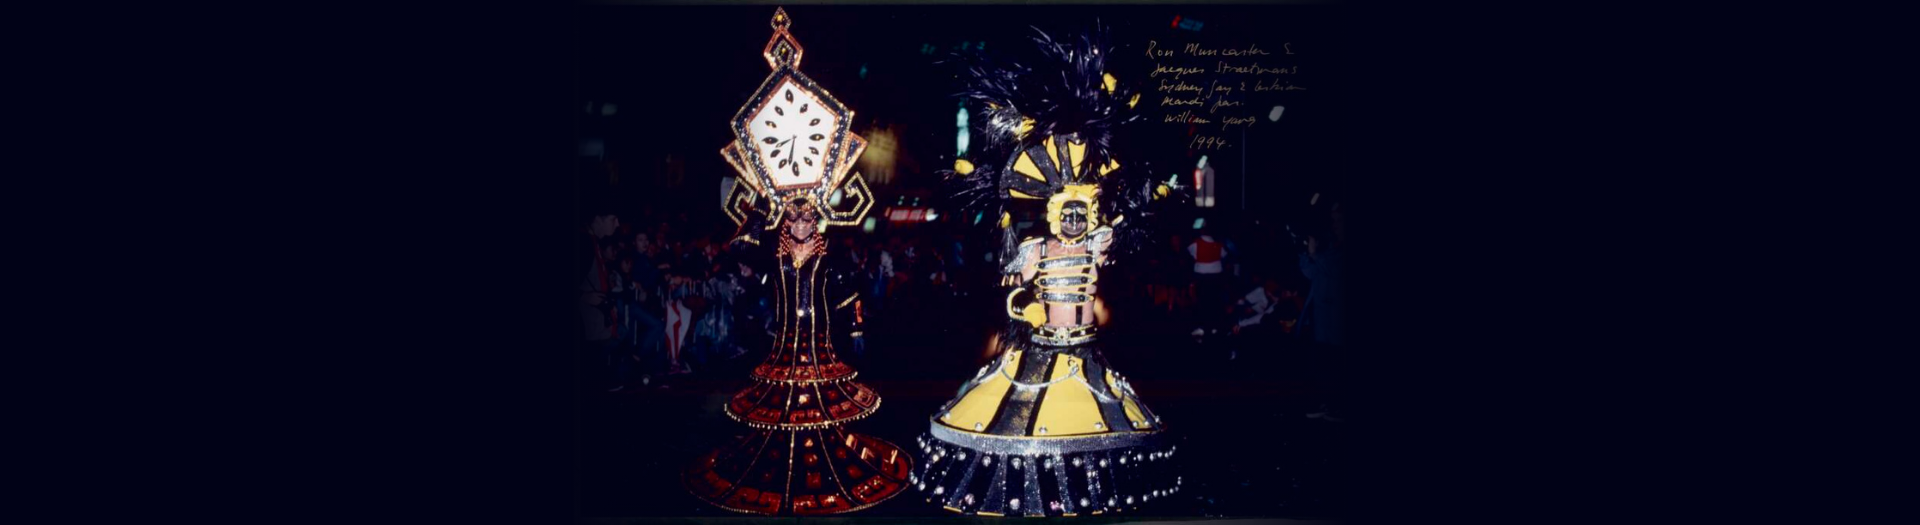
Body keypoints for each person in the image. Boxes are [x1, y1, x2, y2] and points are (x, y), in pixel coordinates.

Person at [914, 25, 1177, 516]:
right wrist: (1022, 291)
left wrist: (1135, 208)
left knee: (1090, 425)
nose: (1076, 221)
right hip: (1043, 347)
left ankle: (1077, 497)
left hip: (1086, 350)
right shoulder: (1037, 247)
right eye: (1068, 214)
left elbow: (1124, 235)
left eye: (1083, 214)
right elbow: (1013, 281)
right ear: (1055, 213)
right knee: (1027, 426)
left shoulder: (1099, 240)